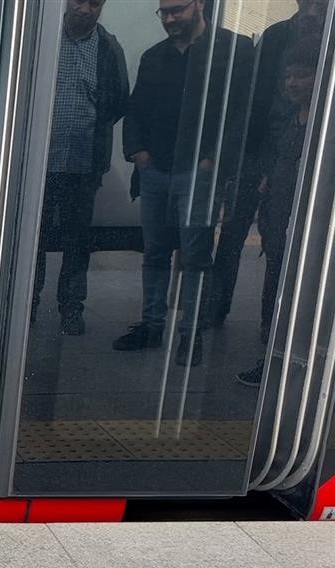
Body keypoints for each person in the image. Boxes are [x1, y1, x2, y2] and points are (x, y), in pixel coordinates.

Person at [113, 0, 253, 367]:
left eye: (177, 9)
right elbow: (136, 109)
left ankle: (191, 335)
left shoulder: (233, 50)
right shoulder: (154, 56)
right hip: (156, 168)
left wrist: (214, 161)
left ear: (199, 4)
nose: (170, 18)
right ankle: (151, 326)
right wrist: (137, 152)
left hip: (198, 171)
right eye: (164, 12)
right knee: (155, 253)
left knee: (195, 256)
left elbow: (240, 112)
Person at [204, 0, 329, 331]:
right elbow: (250, 96)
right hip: (259, 150)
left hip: (301, 151)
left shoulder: (326, 37)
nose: (311, 10)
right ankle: (217, 309)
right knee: (233, 234)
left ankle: (271, 325)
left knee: (281, 245)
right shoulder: (276, 36)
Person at [32, 0, 127, 335]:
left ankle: (71, 309)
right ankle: (26, 305)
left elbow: (118, 102)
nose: (86, 10)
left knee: (77, 242)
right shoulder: (42, 38)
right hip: (39, 166)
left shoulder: (108, 48)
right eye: (79, 1)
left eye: (95, 3)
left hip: (84, 165)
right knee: (33, 239)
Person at [235, 37, 322, 387]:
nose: (292, 83)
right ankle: (273, 356)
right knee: (276, 292)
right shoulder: (289, 116)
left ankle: (291, 366)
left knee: (301, 297)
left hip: (306, 226)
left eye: (301, 75)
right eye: (288, 76)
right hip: (278, 223)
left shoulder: (324, 124)